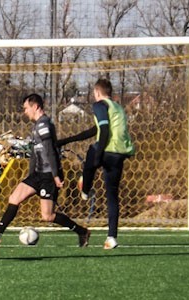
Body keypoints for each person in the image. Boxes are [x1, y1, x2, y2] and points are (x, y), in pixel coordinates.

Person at [0, 94, 90, 247]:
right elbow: (36, 154)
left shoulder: (44, 125)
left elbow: (49, 150)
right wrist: (30, 177)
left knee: (47, 216)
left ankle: (82, 231)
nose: (25, 112)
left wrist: (56, 175)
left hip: (49, 176)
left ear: (35, 107)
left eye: (26, 108)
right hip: (37, 175)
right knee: (14, 198)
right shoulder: (37, 126)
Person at [57, 78, 134, 250]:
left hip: (108, 150)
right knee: (112, 195)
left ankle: (85, 189)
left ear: (97, 92)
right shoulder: (117, 107)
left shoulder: (99, 105)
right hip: (120, 153)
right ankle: (111, 237)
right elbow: (96, 130)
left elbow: (104, 131)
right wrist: (68, 140)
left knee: (92, 152)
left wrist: (98, 157)